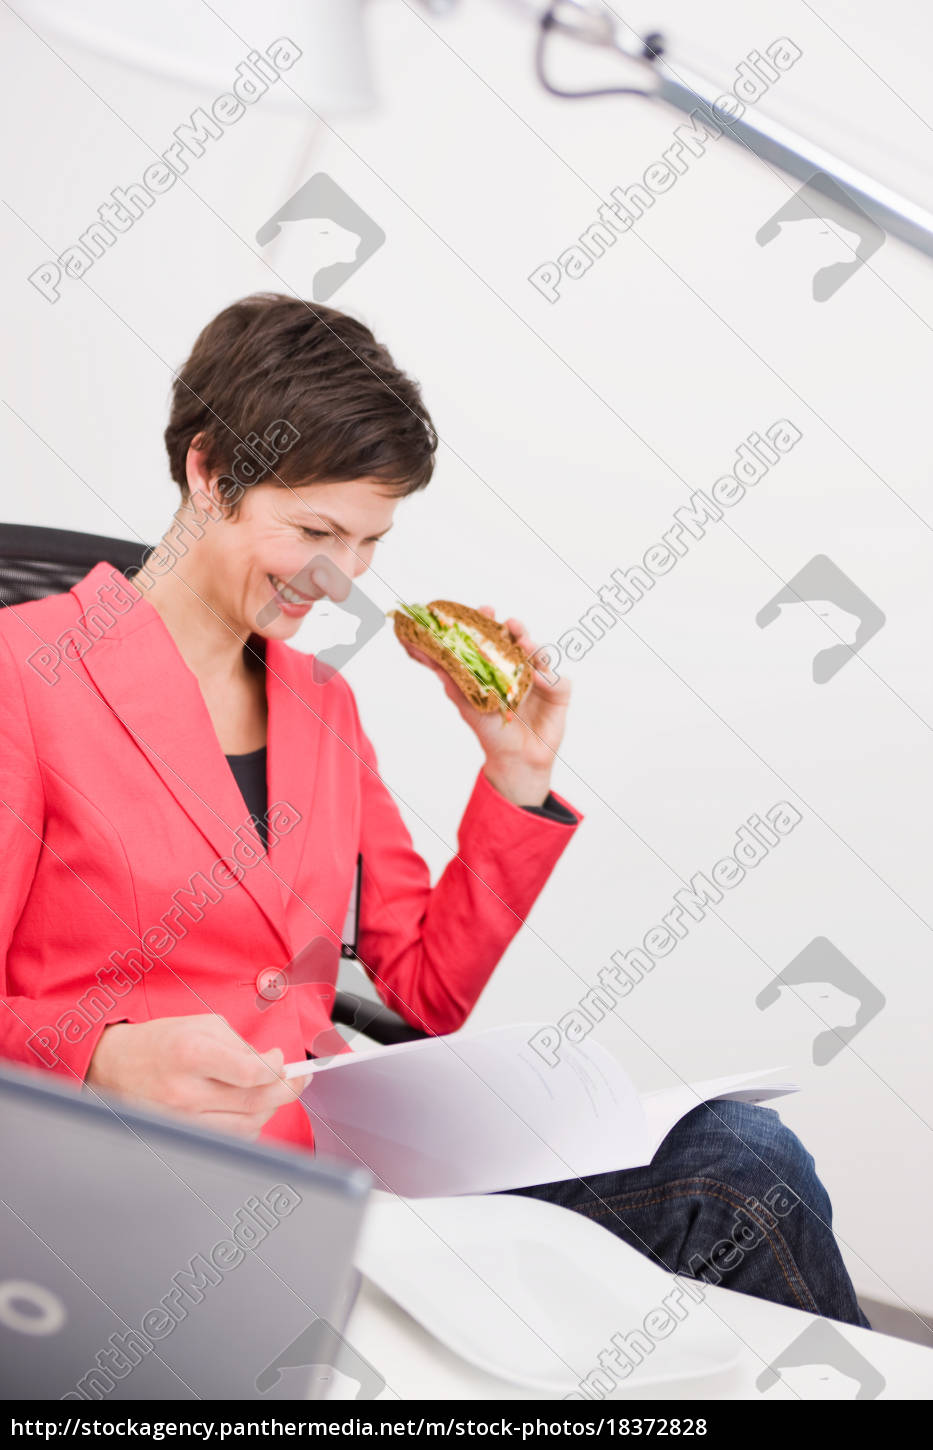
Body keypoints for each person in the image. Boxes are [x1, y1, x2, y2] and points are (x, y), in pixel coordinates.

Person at [0, 293, 868, 1327]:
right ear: (206, 470)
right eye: (316, 529)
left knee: (742, 1162)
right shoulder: (26, 676)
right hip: (137, 1179)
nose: (342, 575)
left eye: (369, 541)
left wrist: (514, 774)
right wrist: (97, 1056)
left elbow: (424, 987)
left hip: (348, 1162)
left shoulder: (322, 706)